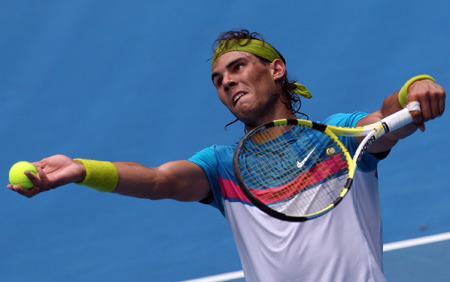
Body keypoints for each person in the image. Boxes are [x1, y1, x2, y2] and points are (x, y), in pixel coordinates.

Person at [8, 29, 446, 281]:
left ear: (276, 69)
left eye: (238, 67)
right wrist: (84, 170)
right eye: (219, 79)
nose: (228, 82)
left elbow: (387, 116)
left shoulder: (340, 137)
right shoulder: (223, 168)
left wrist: (413, 89)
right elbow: (160, 180)